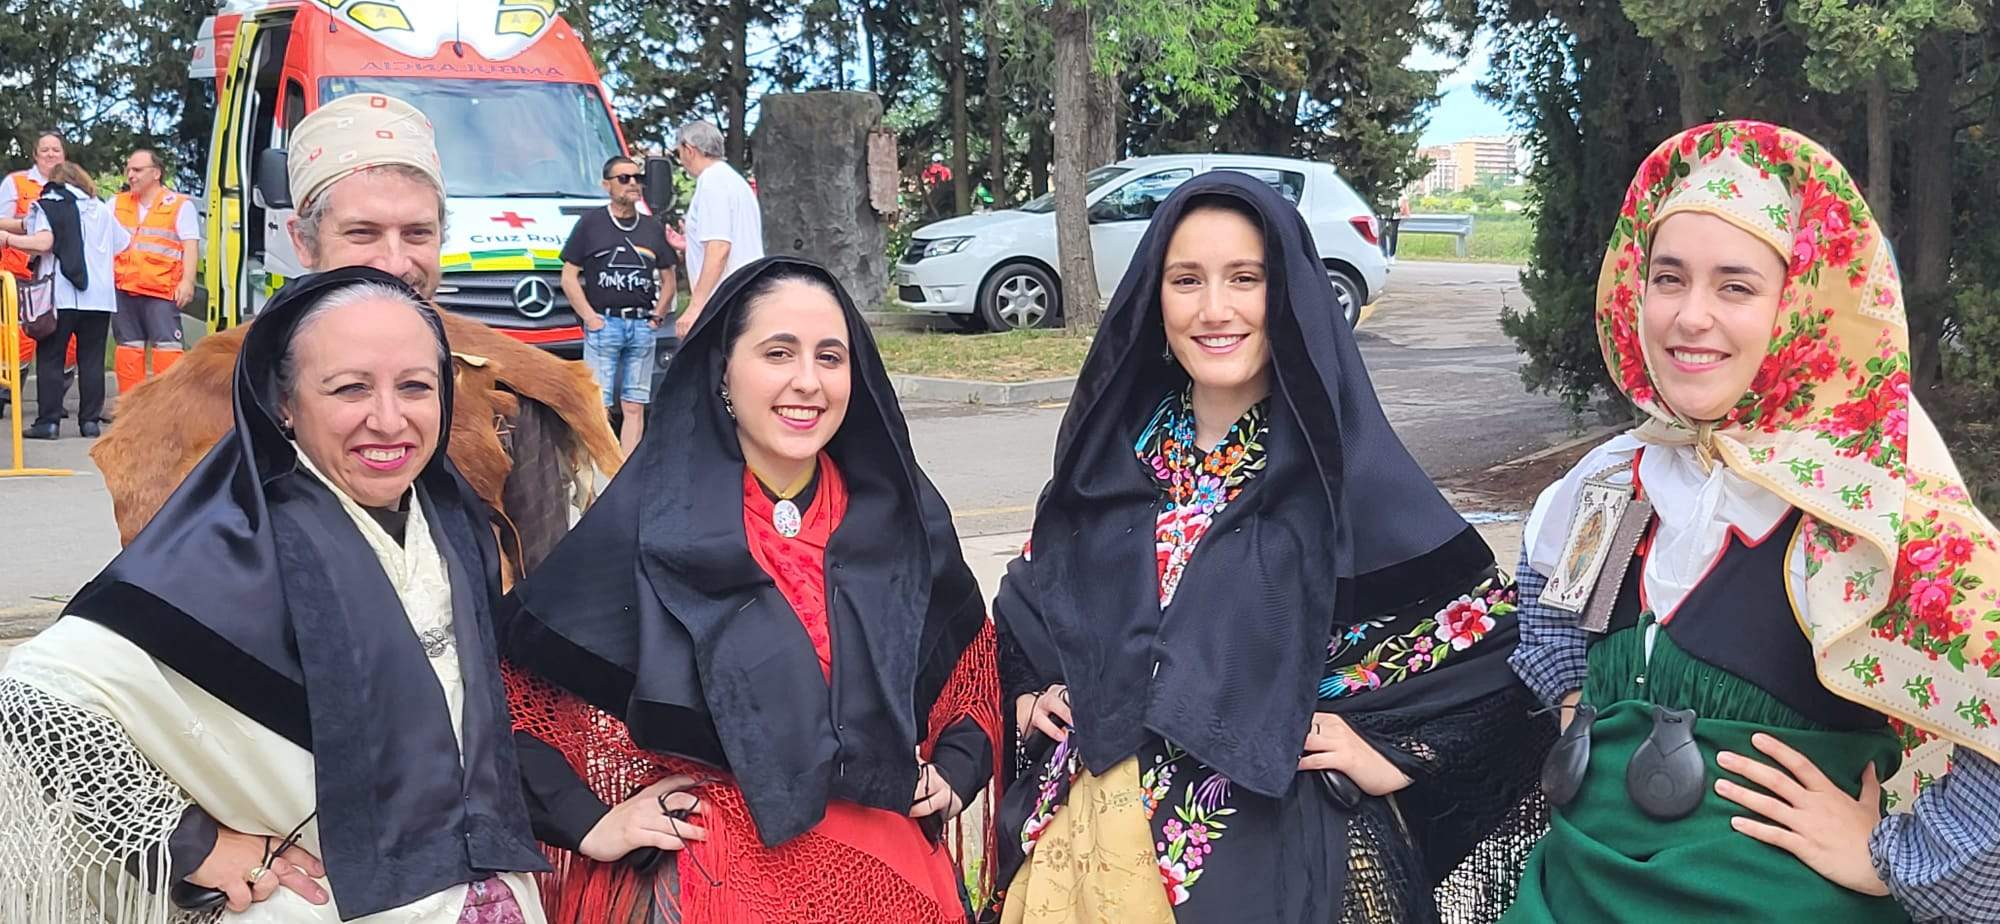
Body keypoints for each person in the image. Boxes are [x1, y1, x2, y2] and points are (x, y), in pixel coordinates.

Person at [991, 172, 1551, 922]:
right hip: (1079, 850)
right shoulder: (1117, 450)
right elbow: (1036, 597)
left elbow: (1494, 647)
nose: (1214, 309)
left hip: (1272, 858)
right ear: (1155, 300)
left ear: (1284, 293)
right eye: (1186, 280)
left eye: (1245, 279)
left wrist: (1386, 750)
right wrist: (1034, 691)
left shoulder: (1339, 466)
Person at [1502, 121, 2000, 922]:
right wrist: (1572, 707)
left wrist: (1893, 860)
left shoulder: (1874, 502)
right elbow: (1550, 610)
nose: (1690, 317)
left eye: (1735, 286)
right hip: (1569, 898)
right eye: (1668, 279)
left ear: (1800, 307)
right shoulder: (1608, 481)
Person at [0, 268, 550, 922]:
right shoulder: (234, 546)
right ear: (283, 403)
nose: (388, 418)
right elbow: (31, 700)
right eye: (349, 388)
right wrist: (192, 843)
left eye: (415, 387)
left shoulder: (451, 523)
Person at [501, 257, 1000, 923]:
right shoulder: (647, 523)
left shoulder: (898, 517)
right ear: (723, 372)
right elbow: (510, 695)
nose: (807, 382)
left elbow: (972, 667)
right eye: (777, 353)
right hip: (715, 883)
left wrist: (958, 772)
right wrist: (591, 823)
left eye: (830, 357)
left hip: (891, 871)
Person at [93, 92, 622, 593]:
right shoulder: (203, 394)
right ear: (303, 240)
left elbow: (543, 586)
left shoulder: (515, 384)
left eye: (417, 234)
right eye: (363, 234)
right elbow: (169, 595)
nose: (395, 263)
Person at [5, 161, 131, 439]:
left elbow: (43, 243)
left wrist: (7, 240)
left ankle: (48, 423)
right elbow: (123, 243)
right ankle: (89, 422)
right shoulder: (100, 209)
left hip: (60, 294)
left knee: (51, 358)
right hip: (98, 298)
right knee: (92, 361)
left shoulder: (47, 204)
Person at [560, 155, 675, 458]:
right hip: (604, 325)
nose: (634, 183)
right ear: (606, 185)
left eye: (638, 178)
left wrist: (658, 316)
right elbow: (569, 276)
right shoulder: (590, 224)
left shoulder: (651, 227)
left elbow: (669, 276)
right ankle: (601, 465)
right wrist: (589, 317)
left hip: (641, 326)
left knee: (635, 404)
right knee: (598, 404)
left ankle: (627, 469)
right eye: (624, 178)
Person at [110, 147, 199, 392]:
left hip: (160, 291)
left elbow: (190, 245)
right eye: (128, 170)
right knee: (129, 351)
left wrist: (187, 282)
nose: (131, 175)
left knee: (168, 353)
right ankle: (131, 409)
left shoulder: (179, 205)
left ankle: (167, 409)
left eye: (137, 170)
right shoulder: (116, 204)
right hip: (124, 290)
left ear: (156, 173)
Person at [672, 120, 763, 339]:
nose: (681, 160)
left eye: (679, 152)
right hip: (747, 295)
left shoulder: (712, 182)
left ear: (689, 149)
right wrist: (690, 244)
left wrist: (695, 307)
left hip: (725, 301)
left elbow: (719, 247)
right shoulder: (735, 181)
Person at [3, 132, 70, 373]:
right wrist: (28, 224)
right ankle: (7, 396)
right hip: (20, 275)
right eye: (45, 150)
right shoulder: (15, 182)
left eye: (56, 150)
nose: (51, 154)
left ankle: (56, 401)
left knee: (66, 342)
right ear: (35, 155)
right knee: (16, 337)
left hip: (61, 277)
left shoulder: (74, 186)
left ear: (64, 155)